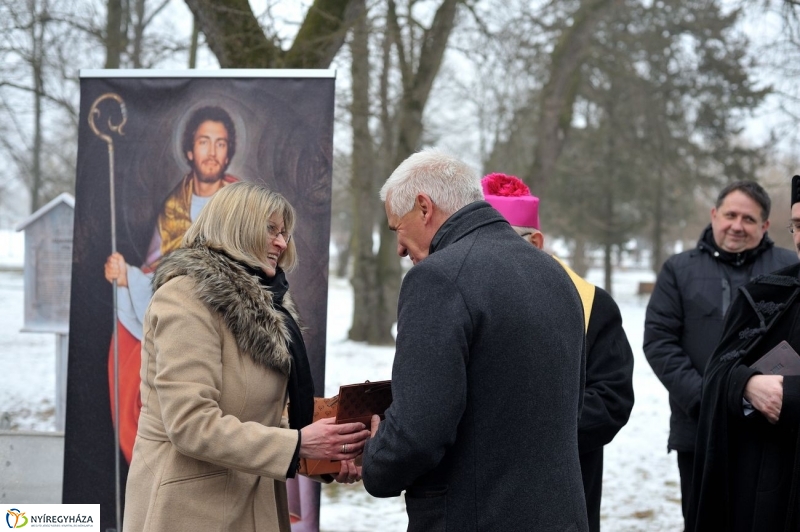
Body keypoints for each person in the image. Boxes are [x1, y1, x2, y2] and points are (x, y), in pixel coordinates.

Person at [361, 149, 589, 531]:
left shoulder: (437, 279)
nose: (399, 248)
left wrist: (377, 458)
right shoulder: (554, 273)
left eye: (396, 228)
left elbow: (420, 431)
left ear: (423, 208)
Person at [121, 182, 370, 532]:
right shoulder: (184, 298)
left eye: (284, 233)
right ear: (236, 225)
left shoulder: (269, 303)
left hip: (253, 502)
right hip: (189, 511)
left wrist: (324, 453)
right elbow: (191, 425)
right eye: (271, 229)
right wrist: (298, 444)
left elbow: (257, 413)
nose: (282, 243)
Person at [481, 172, 635, 532]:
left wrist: (531, 432)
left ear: (535, 241)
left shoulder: (592, 303)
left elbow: (611, 399)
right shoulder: (469, 299)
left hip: (562, 484)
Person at [643, 180, 797, 524]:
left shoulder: (789, 269)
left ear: (766, 226)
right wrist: (708, 397)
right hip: (697, 427)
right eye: (730, 215)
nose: (737, 226)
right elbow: (659, 341)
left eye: (749, 219)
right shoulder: (678, 270)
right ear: (714, 214)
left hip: (771, 430)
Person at [104, 105, 239, 462]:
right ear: (190, 150)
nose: (212, 152)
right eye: (204, 142)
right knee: (128, 360)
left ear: (229, 151)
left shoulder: (241, 202)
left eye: (220, 143)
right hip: (176, 316)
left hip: (227, 319)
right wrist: (126, 276)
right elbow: (156, 269)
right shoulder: (173, 206)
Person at [687, 175, 800, 532]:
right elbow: (722, 370)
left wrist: (791, 396)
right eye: (798, 225)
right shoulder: (770, 296)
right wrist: (746, 384)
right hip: (771, 491)